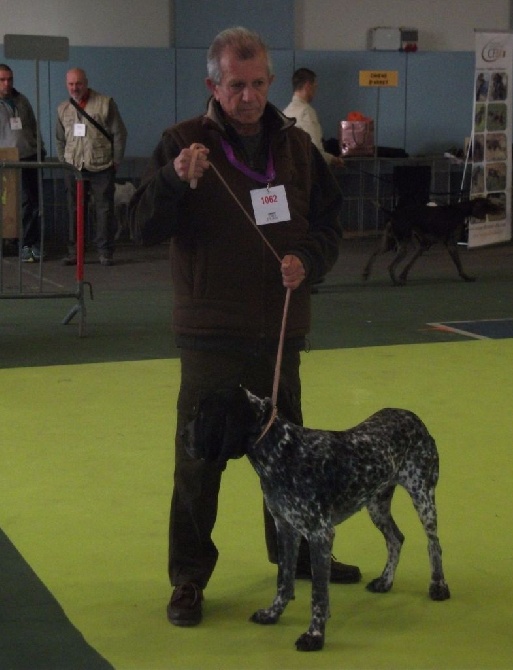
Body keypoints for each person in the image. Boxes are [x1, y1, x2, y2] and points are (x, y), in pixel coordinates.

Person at [129, 26, 360, 628]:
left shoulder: (298, 147)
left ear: (272, 83)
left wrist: (308, 261)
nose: (250, 96)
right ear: (213, 84)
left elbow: (331, 224)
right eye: (237, 85)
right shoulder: (181, 143)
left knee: (289, 458)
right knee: (199, 462)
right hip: (212, 333)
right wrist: (176, 178)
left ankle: (300, 557)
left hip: (281, 330)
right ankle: (188, 580)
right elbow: (139, 227)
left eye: (259, 84)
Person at [56, 67, 127, 266]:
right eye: (70, 84)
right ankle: (75, 252)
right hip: (74, 167)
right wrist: (64, 161)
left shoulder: (105, 104)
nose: (74, 87)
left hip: (101, 165)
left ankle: (105, 252)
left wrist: (117, 160)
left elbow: (119, 133)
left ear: (86, 83)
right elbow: (60, 139)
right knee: (74, 209)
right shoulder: (63, 109)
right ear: (66, 85)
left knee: (104, 210)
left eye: (78, 83)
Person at [0, 63, 45, 262]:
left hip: (27, 157)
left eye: (9, 79)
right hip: (4, 160)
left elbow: (33, 126)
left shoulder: (22, 100)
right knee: (5, 204)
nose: (7, 83)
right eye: (2, 80)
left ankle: (28, 244)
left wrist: (40, 148)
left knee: (31, 202)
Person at [283, 67, 345, 168]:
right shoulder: (306, 112)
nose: (315, 91)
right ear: (308, 86)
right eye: (315, 87)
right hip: (305, 172)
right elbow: (315, 152)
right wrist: (333, 160)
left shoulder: (286, 112)